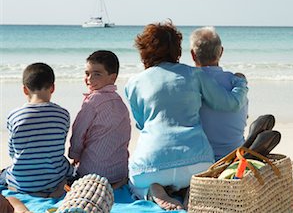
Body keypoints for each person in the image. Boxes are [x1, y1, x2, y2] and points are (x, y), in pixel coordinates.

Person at [125, 21, 248, 211]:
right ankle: (190, 190)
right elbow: (228, 103)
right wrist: (240, 83)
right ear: (177, 50)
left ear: (143, 51)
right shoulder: (194, 74)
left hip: (151, 165)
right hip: (198, 163)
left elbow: (141, 125)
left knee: (134, 181)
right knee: (197, 176)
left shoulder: (133, 83)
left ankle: (152, 193)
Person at [5, 63, 72, 198]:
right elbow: (59, 147)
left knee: (5, 172)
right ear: (52, 88)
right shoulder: (63, 114)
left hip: (22, 184)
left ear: (25, 90)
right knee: (67, 167)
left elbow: (12, 152)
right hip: (53, 181)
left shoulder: (14, 116)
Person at [69, 50, 131, 188]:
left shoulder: (92, 101)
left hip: (93, 173)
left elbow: (78, 131)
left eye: (97, 74)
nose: (89, 79)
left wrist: (74, 154)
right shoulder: (119, 102)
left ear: (112, 78)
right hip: (119, 172)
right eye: (87, 73)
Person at [190, 27, 248, 161]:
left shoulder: (188, 84)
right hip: (235, 156)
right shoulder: (237, 83)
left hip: (201, 160)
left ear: (193, 54)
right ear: (221, 52)